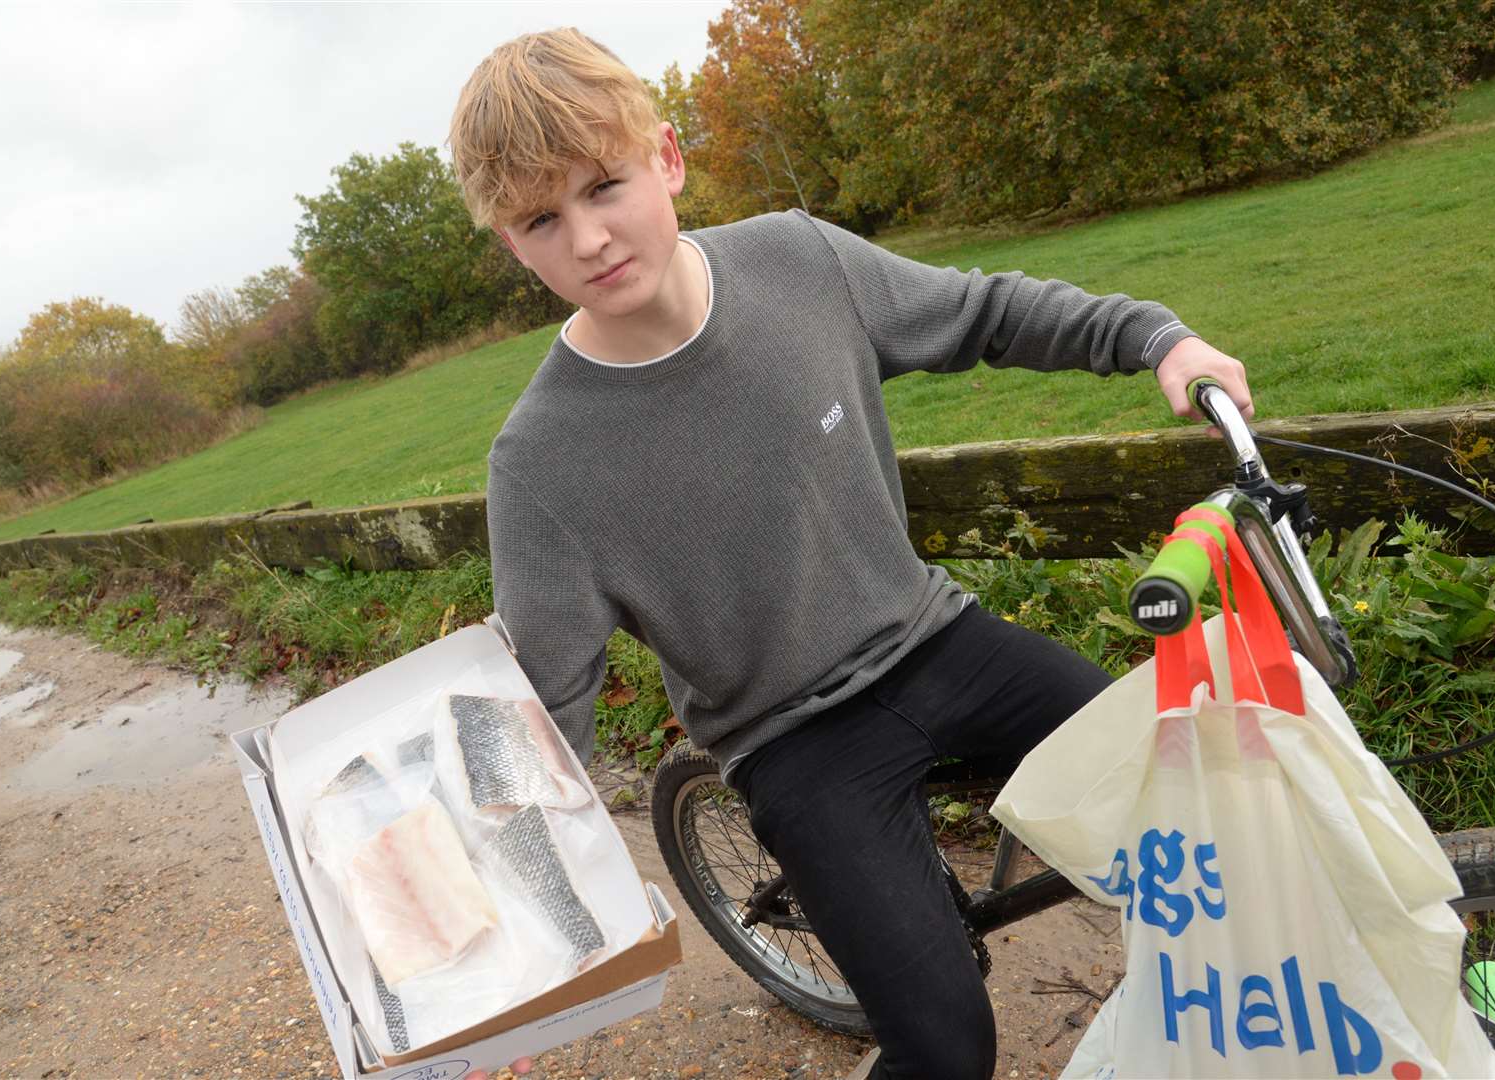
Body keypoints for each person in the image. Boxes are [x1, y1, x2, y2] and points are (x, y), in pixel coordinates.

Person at [447, 27, 1254, 1080]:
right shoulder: (541, 461)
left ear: (667, 160)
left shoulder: (798, 261)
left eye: (603, 186)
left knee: (1206, 808)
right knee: (944, 1045)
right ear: (512, 243)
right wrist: (491, 927)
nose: (587, 238)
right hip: (792, 741)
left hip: (937, 638)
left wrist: (1156, 339)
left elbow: (985, 311)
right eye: (541, 219)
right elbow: (538, 714)